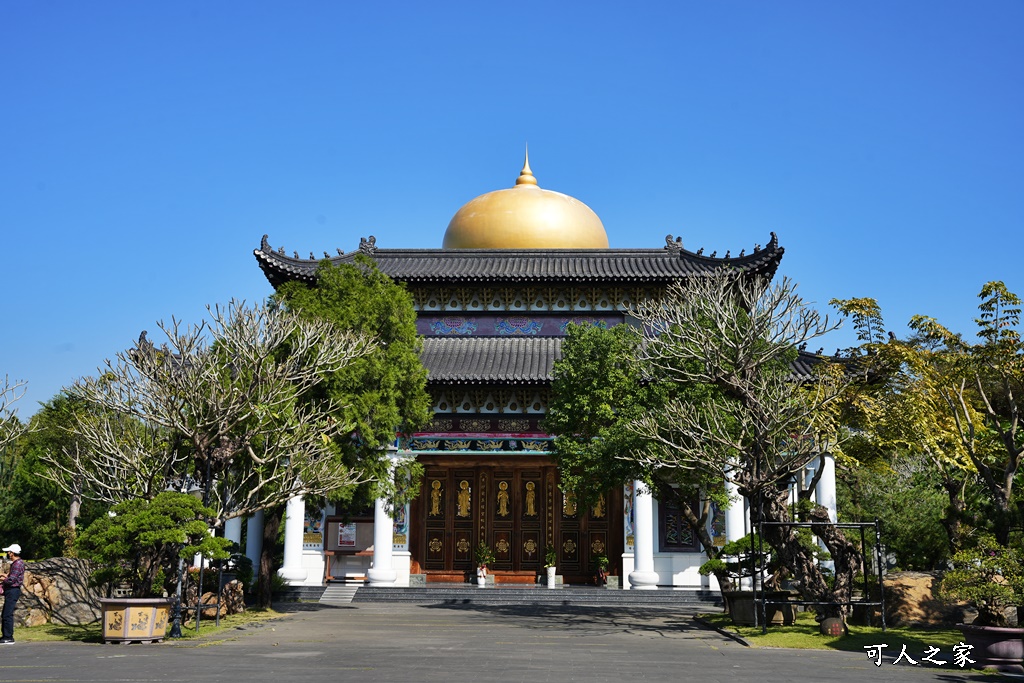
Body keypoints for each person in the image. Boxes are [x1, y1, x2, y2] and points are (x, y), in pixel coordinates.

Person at [0, 543, 24, 644]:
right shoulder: (15, 563)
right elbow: (11, 576)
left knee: (7, 614)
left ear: (12, 553)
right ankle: (5, 636)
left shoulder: (18, 564)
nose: (8, 553)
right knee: (6, 613)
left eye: (9, 552)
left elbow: (11, 580)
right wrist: (4, 575)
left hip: (13, 590)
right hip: (11, 590)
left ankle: (8, 637)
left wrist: (3, 579)